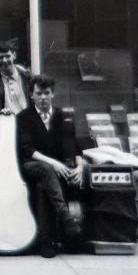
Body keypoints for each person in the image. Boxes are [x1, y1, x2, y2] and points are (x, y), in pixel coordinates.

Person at [17, 74, 84, 258]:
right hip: (30, 167)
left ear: (53, 94)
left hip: (55, 174)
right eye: (39, 93)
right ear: (31, 95)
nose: (43, 97)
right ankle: (66, 218)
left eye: (47, 93)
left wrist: (80, 167)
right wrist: (54, 163)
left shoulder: (63, 116)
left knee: (42, 187)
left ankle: (46, 243)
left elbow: (74, 144)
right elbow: (27, 149)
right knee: (45, 170)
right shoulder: (24, 117)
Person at [0, 39, 30, 169]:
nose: (4, 61)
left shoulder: (28, 78)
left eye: (7, 56)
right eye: (0, 57)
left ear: (14, 55)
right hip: (6, 132)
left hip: (28, 131)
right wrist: (1, 114)